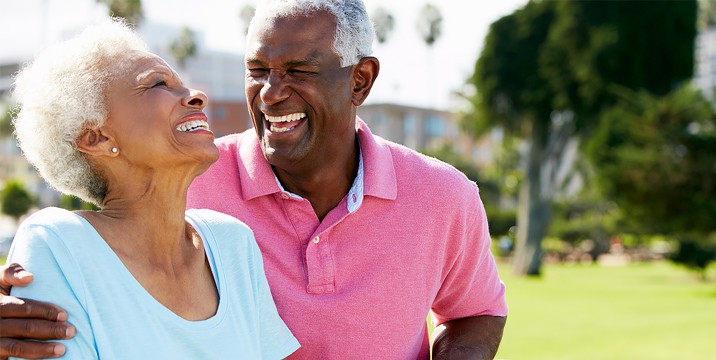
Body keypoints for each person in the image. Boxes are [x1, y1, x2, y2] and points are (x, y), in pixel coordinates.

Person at [0, 0, 508, 359]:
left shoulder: (227, 242)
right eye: (258, 70)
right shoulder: (175, 182)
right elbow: (83, 239)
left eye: (298, 70)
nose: (270, 92)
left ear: (360, 80)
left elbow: (477, 310)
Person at [0, 18, 299, 359]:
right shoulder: (57, 244)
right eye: (158, 84)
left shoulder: (233, 243)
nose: (196, 96)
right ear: (97, 138)